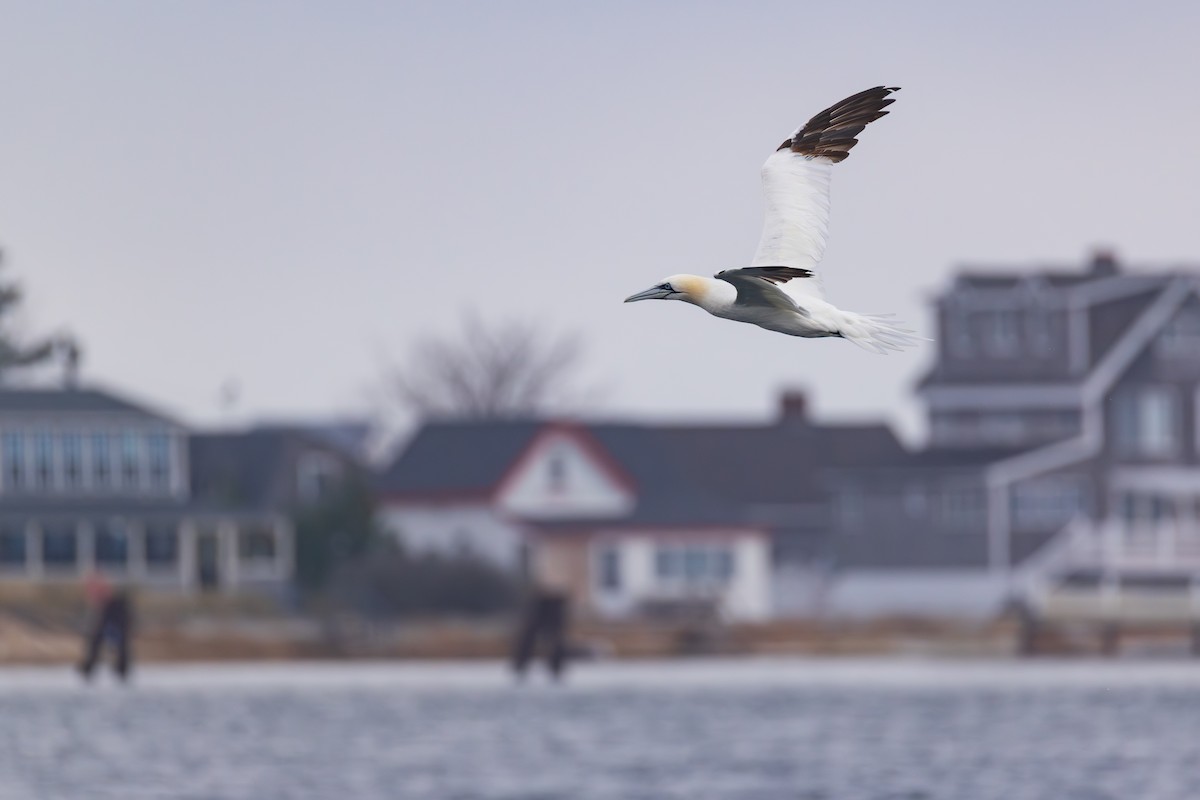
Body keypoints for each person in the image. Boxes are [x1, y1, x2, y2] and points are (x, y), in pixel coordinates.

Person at [78, 571, 134, 682]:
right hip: (110, 621)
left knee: (119, 645)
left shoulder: (113, 599)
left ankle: (121, 670)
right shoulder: (101, 594)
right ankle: (89, 669)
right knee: (96, 642)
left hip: (115, 618)